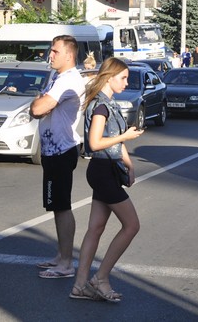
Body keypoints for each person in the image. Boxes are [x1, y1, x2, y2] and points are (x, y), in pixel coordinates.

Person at [70, 58, 144, 302]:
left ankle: (80, 285)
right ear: (109, 77)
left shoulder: (108, 103)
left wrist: (129, 164)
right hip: (102, 170)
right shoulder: (101, 106)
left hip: (107, 169)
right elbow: (95, 143)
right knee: (132, 225)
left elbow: (114, 140)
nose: (126, 82)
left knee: (96, 228)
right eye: (123, 77)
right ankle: (100, 278)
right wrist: (125, 136)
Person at [30, 35, 85, 279]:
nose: (49, 55)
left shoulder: (68, 80)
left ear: (69, 56)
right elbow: (40, 108)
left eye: (54, 51)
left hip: (62, 151)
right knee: (56, 206)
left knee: (62, 206)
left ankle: (66, 264)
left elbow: (37, 108)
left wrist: (39, 103)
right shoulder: (57, 77)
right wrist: (40, 103)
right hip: (53, 150)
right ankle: (61, 256)